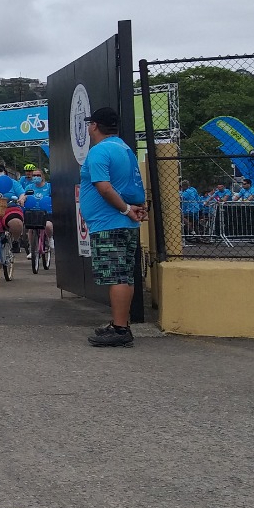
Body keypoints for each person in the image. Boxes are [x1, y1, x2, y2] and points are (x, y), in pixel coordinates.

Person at [79, 107, 148, 348]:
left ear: (94, 126)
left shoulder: (100, 151)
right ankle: (121, 323)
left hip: (109, 223)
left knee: (116, 276)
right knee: (125, 275)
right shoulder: (125, 149)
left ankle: (120, 330)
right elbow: (132, 184)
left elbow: (104, 187)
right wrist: (134, 209)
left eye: (90, 125)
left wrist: (126, 209)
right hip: (124, 223)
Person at [0, 162, 26, 251]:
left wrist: (21, 199)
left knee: (16, 223)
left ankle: (15, 241)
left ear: (4, 172)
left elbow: (22, 193)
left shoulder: (13, 183)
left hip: (10, 209)